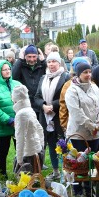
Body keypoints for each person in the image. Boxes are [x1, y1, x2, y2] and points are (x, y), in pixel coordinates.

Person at [64, 61, 99, 197]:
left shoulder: (95, 88)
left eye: (89, 72)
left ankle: (89, 189)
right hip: (78, 133)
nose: (88, 75)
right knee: (77, 163)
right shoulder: (72, 90)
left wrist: (98, 124)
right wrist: (90, 125)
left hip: (95, 133)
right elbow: (76, 112)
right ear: (78, 74)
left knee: (90, 162)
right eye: (85, 72)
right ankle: (77, 190)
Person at [34, 52, 69, 180]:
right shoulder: (43, 78)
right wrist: (43, 106)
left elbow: (65, 97)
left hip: (59, 117)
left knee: (63, 146)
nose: (51, 64)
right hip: (45, 117)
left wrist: (53, 106)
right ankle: (55, 171)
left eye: (54, 61)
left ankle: (66, 171)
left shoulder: (65, 77)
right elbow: (37, 96)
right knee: (51, 145)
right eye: (49, 62)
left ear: (59, 63)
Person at [0, 60, 21, 178]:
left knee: (21, 151)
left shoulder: (17, 84)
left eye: (9, 69)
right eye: (4, 69)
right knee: (2, 152)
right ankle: (2, 176)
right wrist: (9, 120)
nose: (7, 71)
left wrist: (19, 119)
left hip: (19, 124)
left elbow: (24, 101)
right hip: (2, 126)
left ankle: (21, 174)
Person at [12, 84, 44, 174]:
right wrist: (41, 145)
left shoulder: (20, 115)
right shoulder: (30, 110)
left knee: (25, 181)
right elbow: (40, 129)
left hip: (27, 153)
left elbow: (20, 138)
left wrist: (19, 159)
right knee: (36, 177)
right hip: (36, 149)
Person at [12, 44, 46, 117]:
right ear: (25, 56)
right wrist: (20, 60)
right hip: (26, 104)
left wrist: (43, 61)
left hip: (40, 103)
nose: (32, 59)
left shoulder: (41, 65)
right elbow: (13, 76)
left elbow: (49, 72)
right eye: (29, 57)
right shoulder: (21, 66)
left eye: (34, 56)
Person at [59, 56, 90, 132]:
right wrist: (64, 125)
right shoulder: (68, 85)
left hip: (92, 126)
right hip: (74, 127)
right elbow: (63, 106)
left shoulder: (92, 85)